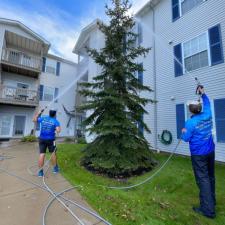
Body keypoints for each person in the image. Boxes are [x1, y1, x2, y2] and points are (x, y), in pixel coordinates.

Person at [181, 86, 216, 219]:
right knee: (210, 177)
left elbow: (185, 139)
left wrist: (183, 131)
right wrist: (203, 93)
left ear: (191, 110)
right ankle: (211, 202)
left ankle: (208, 210)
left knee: (203, 180)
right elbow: (207, 102)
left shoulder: (190, 123)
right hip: (210, 152)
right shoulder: (207, 113)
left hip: (199, 155)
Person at [33, 109, 61, 177]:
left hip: (42, 139)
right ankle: (55, 169)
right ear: (55, 115)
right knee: (53, 153)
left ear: (49, 113)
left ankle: (40, 172)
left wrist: (38, 113)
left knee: (42, 154)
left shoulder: (43, 118)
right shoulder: (55, 121)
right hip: (51, 140)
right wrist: (57, 128)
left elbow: (34, 120)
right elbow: (58, 131)